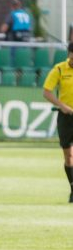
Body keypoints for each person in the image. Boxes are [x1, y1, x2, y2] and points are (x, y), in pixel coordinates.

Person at [43, 42, 73, 203]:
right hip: (66, 117)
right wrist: (62, 106)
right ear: (69, 54)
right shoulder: (60, 69)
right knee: (69, 156)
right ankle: (72, 188)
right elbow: (46, 92)